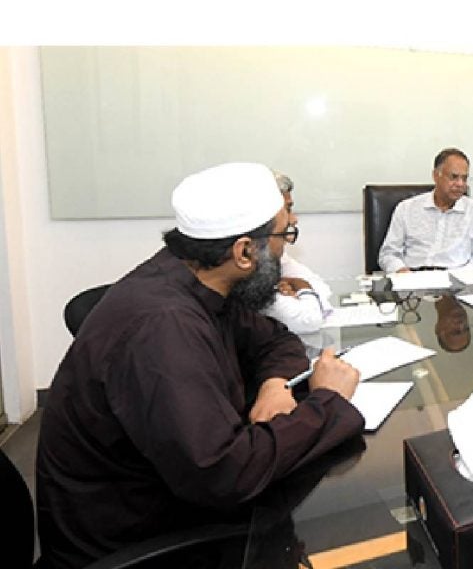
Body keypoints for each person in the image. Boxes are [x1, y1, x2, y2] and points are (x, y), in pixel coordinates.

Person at [36, 162, 366, 568]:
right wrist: (328, 402)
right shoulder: (163, 327)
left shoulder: (198, 276)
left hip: (172, 497)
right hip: (139, 542)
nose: (286, 248)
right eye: (284, 235)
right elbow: (225, 475)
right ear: (244, 252)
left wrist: (275, 384)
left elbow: (276, 340)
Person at [378, 147, 473, 273]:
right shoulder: (406, 209)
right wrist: (401, 271)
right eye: (454, 177)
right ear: (436, 176)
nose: (460, 184)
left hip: (456, 278)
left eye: (464, 178)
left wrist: (460, 278)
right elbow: (388, 254)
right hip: (412, 277)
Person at [261, 171, 333, 334]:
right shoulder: (254, 256)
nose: (294, 219)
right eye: (287, 209)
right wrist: (302, 286)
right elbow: (309, 320)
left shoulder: (274, 252)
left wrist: (295, 283)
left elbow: (323, 290)